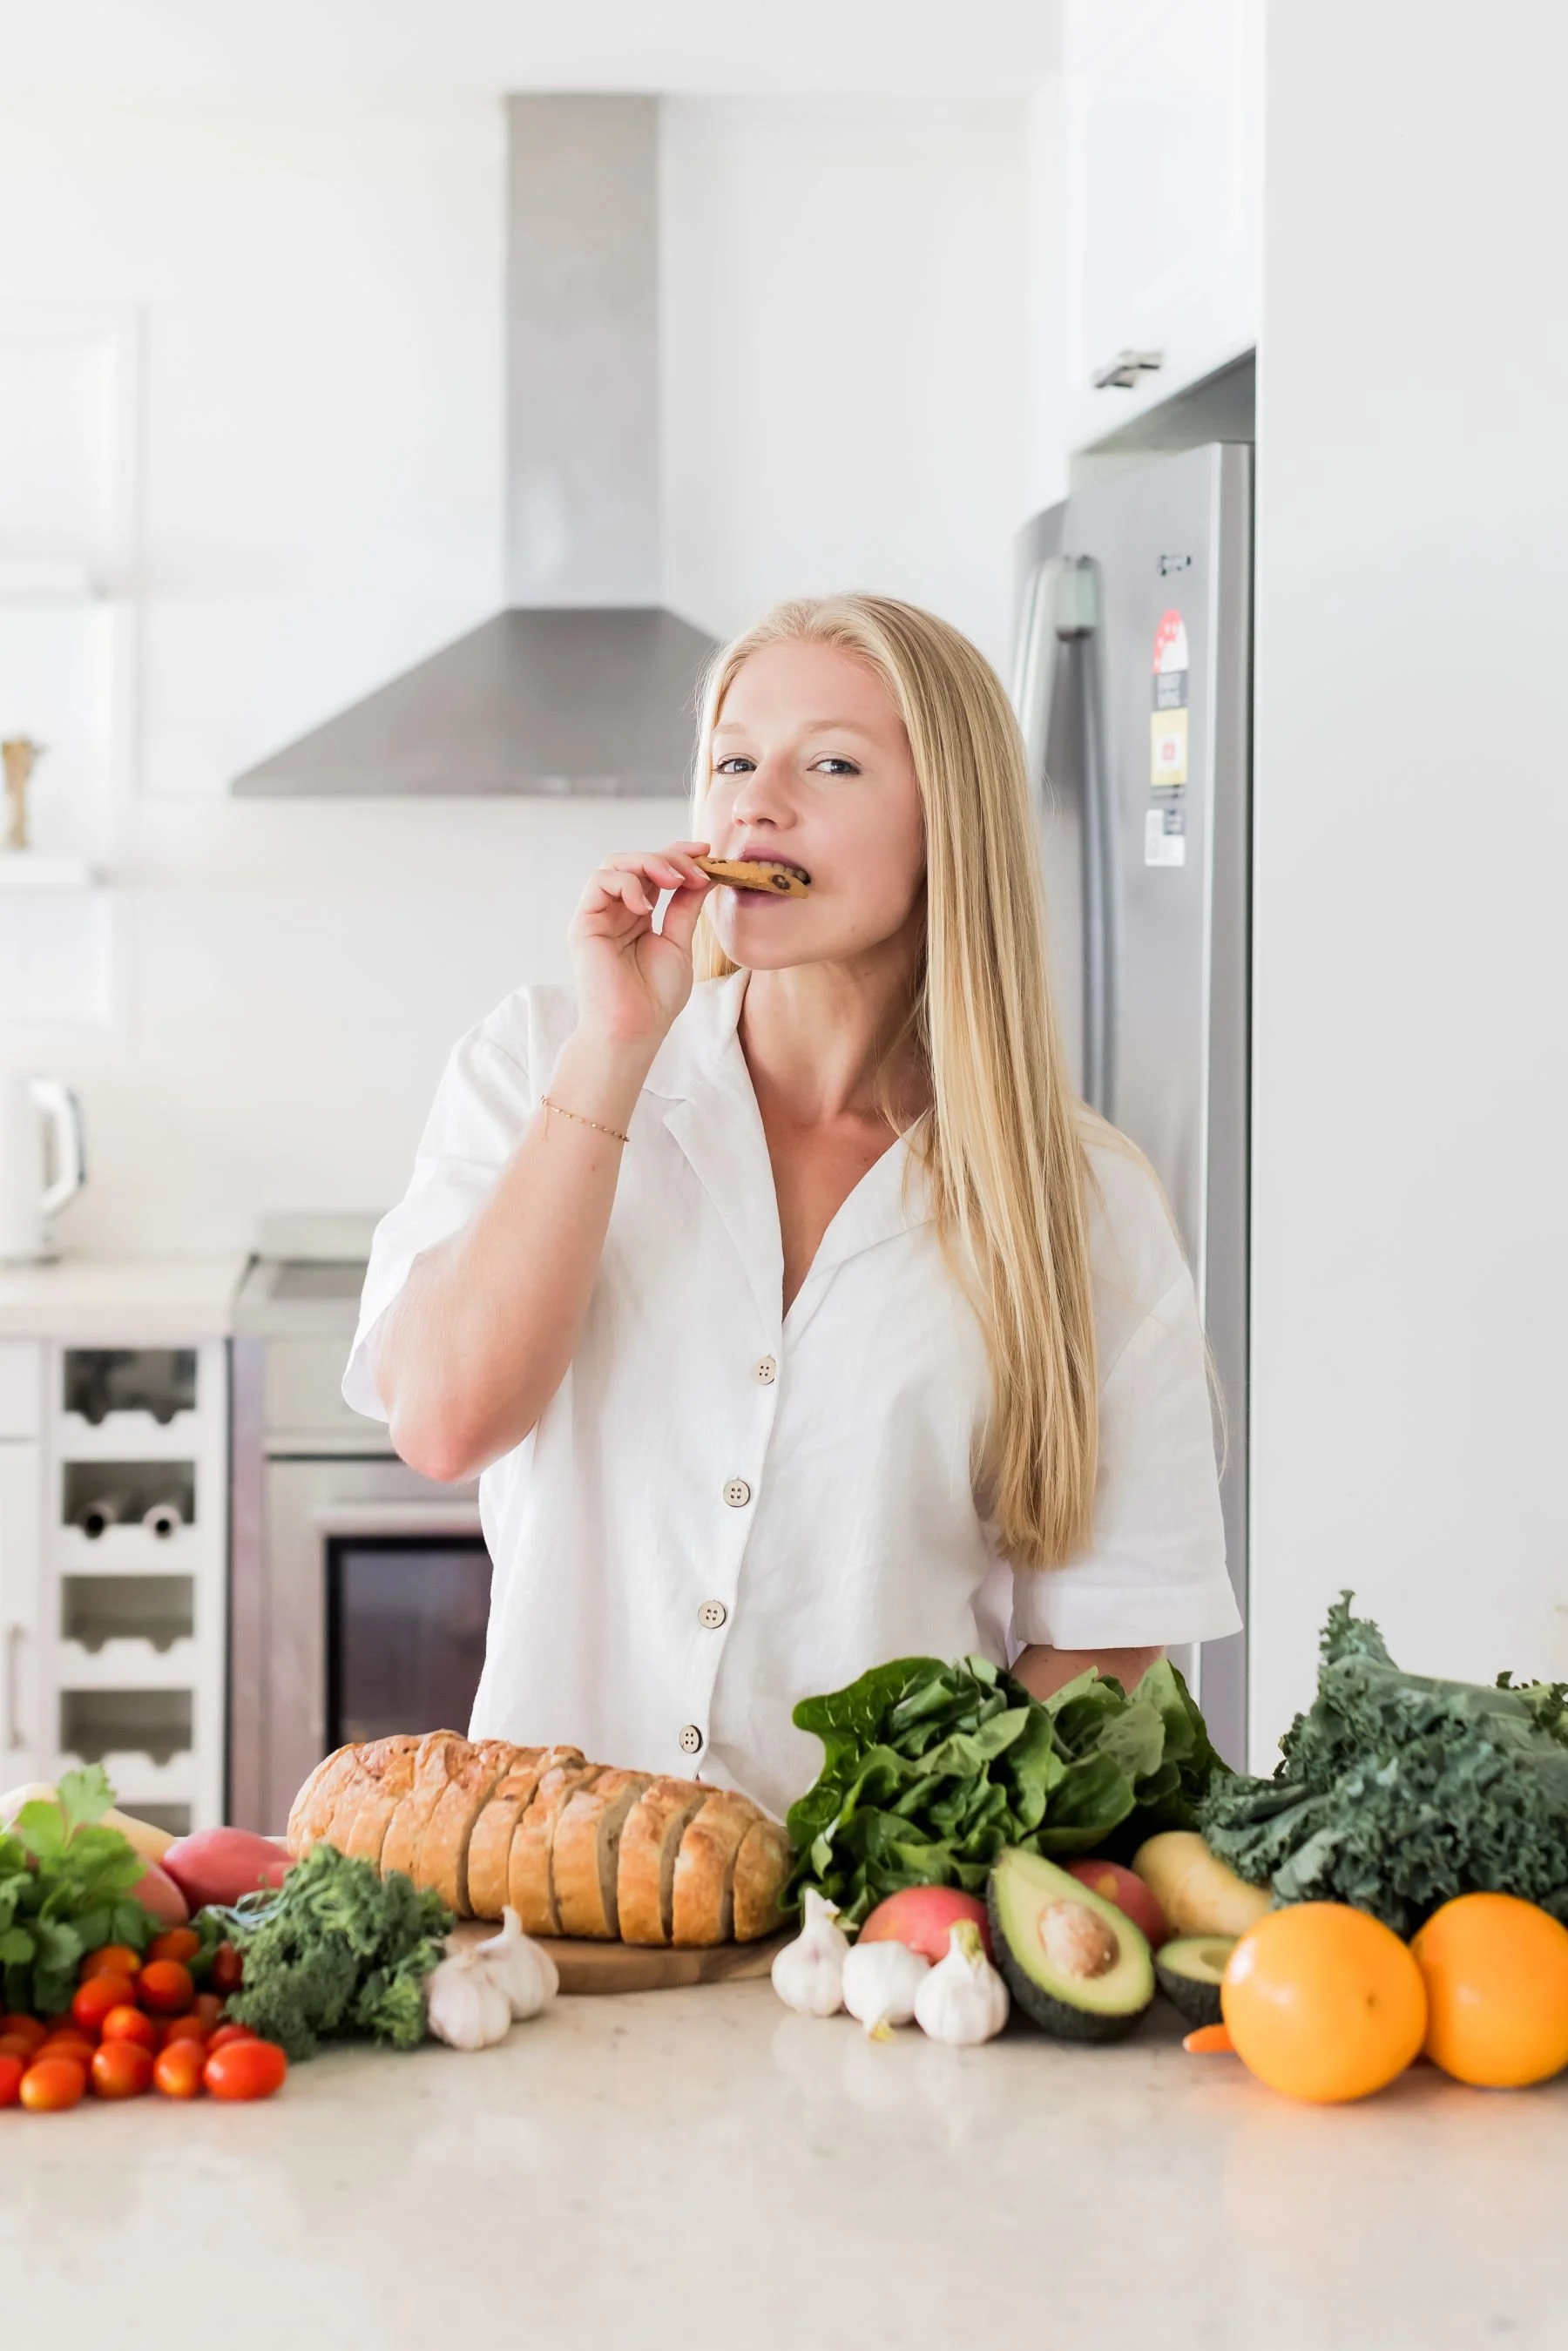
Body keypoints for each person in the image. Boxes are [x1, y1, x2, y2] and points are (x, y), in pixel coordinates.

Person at [344, 593, 1240, 1822]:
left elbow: (1112, 1632)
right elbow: (444, 1423)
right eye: (731, 760)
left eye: (830, 762)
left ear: (951, 825)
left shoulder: (1082, 1202)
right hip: (544, 1907)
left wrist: (904, 1862)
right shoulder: (538, 1062)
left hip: (864, 1954)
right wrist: (615, 1048)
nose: (755, 801)